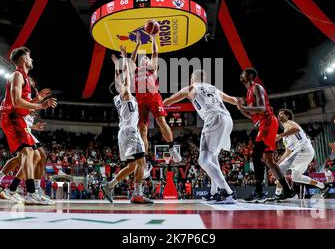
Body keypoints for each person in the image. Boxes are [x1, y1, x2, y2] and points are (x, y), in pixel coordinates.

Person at [163, 69, 239, 204]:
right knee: (213, 159)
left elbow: (168, 102)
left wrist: (161, 102)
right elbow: (233, 100)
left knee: (203, 161)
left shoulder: (192, 87)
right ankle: (214, 192)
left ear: (193, 78)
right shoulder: (214, 89)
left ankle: (228, 193)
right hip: (228, 119)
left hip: (213, 119)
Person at [0, 47, 57, 205]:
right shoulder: (17, 75)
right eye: (29, 57)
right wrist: (42, 105)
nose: (32, 59)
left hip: (19, 118)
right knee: (28, 154)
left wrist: (37, 99)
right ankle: (30, 192)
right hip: (12, 118)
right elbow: (17, 102)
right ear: (24, 59)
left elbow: (24, 105)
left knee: (36, 155)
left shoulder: (22, 76)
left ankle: (16, 190)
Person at [101, 46, 153, 204]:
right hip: (130, 131)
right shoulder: (125, 94)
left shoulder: (119, 97)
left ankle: (109, 186)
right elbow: (128, 74)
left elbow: (120, 76)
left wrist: (118, 65)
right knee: (141, 162)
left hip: (124, 132)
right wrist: (125, 56)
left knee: (132, 166)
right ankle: (138, 194)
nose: (126, 82)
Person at [237, 68, 295, 202]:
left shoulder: (257, 87)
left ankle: (259, 190)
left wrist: (244, 107)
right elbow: (252, 115)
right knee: (269, 161)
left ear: (250, 76)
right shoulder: (248, 92)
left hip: (268, 122)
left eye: (243, 74)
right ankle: (288, 191)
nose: (241, 75)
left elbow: (262, 108)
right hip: (263, 124)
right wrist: (241, 108)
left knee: (256, 155)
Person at [128, 27, 182, 166]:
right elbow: (131, 61)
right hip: (140, 101)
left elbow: (155, 52)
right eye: (143, 58)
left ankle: (172, 148)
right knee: (142, 129)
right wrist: (138, 44)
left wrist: (153, 38)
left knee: (161, 121)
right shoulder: (136, 70)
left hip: (153, 97)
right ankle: (144, 161)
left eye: (146, 58)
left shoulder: (152, 68)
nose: (144, 59)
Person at [267, 109, 330, 201]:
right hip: (304, 152)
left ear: (287, 116)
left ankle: (278, 194)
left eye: (282, 114)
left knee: (280, 170)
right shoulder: (285, 136)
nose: (279, 115)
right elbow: (287, 152)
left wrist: (280, 135)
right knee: (296, 177)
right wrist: (275, 164)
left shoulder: (290, 122)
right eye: (278, 114)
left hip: (302, 149)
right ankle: (323, 186)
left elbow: (296, 129)